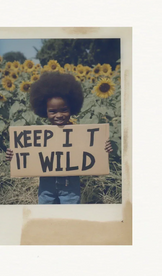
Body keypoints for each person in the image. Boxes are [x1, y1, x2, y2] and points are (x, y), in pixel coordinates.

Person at [6, 71, 112, 204]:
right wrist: (13, 155)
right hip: (46, 187)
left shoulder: (80, 133)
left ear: (72, 108)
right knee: (47, 217)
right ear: (44, 111)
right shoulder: (40, 135)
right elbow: (29, 154)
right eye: (53, 111)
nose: (59, 115)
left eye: (64, 110)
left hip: (70, 187)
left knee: (69, 218)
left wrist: (104, 148)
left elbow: (92, 149)